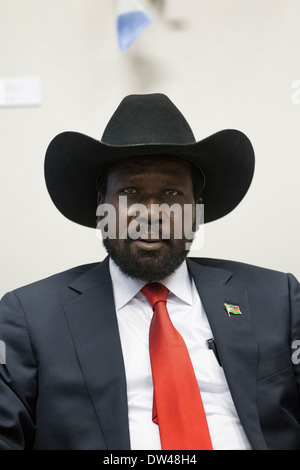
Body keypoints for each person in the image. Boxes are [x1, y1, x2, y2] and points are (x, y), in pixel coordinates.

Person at [0, 93, 299, 451]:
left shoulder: (276, 297)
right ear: (101, 207)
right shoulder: (30, 316)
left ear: (196, 210)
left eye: (172, 192)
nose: (151, 212)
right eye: (129, 191)